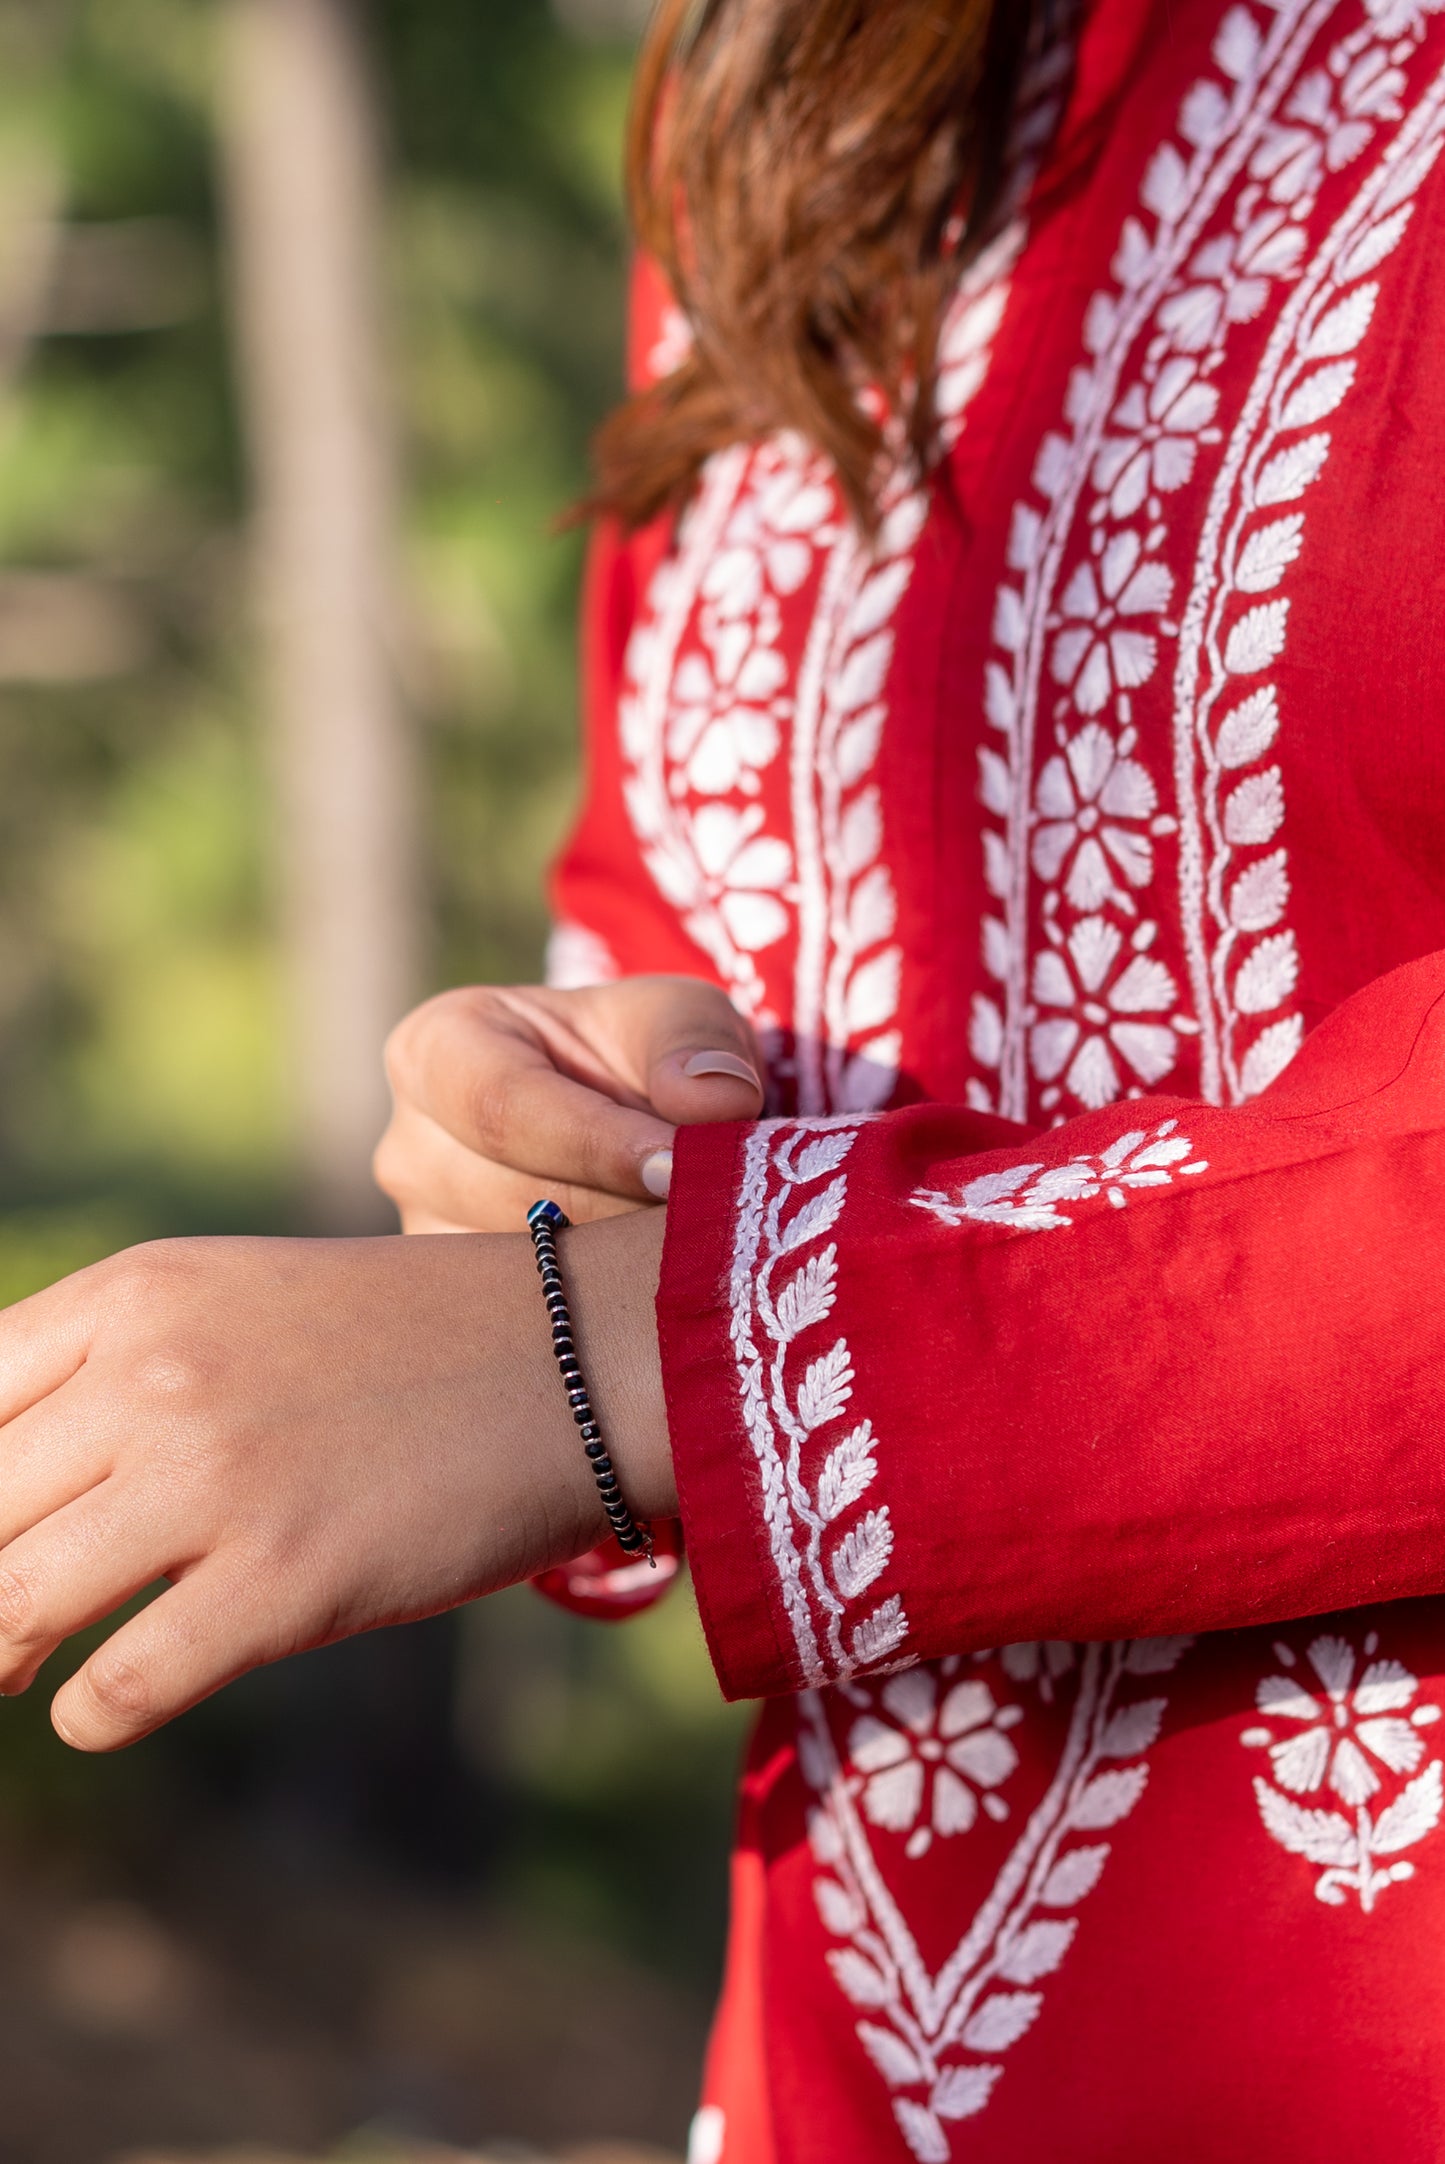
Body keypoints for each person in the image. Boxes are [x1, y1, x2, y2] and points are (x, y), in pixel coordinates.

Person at [4, 0, 1445, 2153]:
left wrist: (653, 1354)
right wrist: (577, 1127)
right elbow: (677, 897)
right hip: (862, 2054)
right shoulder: (800, 67)